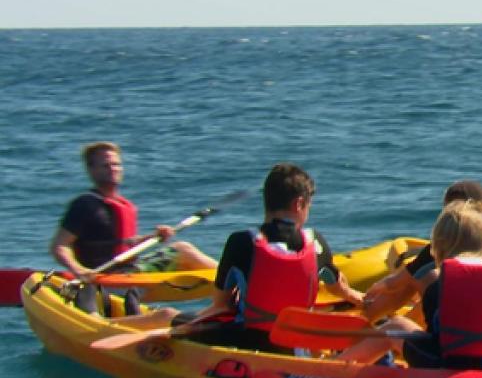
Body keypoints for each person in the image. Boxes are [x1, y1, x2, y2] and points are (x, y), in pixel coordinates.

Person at [337, 200, 482, 374]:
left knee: (393, 326)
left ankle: (332, 372)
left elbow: (437, 334)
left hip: (447, 367)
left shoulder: (442, 284)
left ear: (440, 248)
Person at [179, 163, 364, 353]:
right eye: (309, 206)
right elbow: (339, 288)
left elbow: (220, 305)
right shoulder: (316, 243)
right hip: (296, 347)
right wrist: (359, 299)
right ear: (299, 204)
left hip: (249, 343)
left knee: (170, 316)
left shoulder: (240, 242)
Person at [50, 141, 217, 313]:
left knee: (182, 249)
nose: (113, 168)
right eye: (105, 165)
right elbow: (59, 246)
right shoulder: (85, 205)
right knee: (183, 249)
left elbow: (124, 243)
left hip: (131, 272)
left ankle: (231, 290)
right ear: (92, 171)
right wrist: (79, 270)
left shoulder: (124, 205)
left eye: (116, 164)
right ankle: (233, 285)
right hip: (105, 279)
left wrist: (153, 237)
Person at [362, 180, 482, 322]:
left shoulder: (454, 242)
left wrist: (368, 294)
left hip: (464, 322)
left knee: (417, 278)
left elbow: (397, 281)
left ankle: (369, 318)